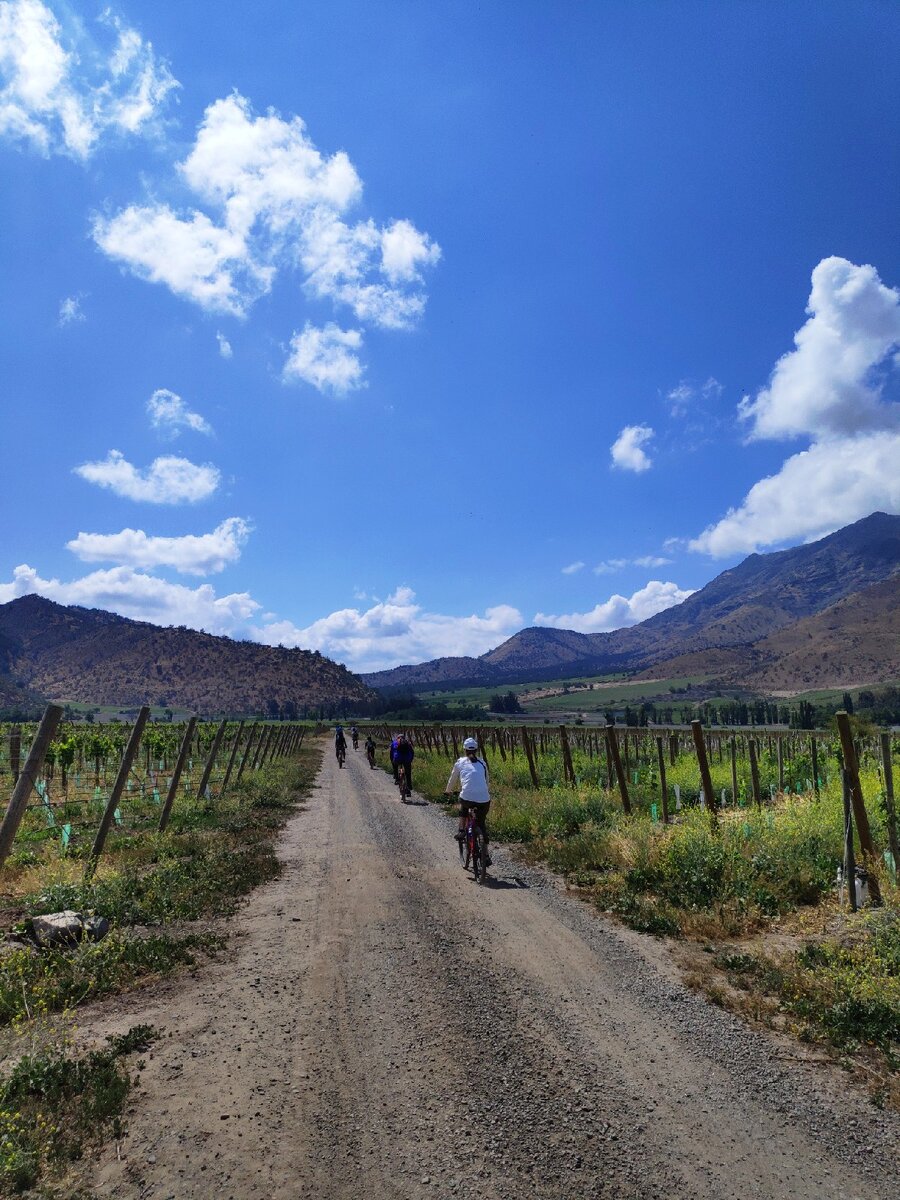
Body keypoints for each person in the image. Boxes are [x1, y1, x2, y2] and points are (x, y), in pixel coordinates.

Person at [445, 737, 491, 864]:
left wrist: (448, 791)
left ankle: (461, 831)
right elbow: (487, 781)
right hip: (484, 799)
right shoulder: (482, 763)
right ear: (476, 749)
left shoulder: (460, 762)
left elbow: (452, 778)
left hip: (467, 797)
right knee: (481, 824)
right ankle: (486, 855)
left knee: (464, 806)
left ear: (464, 749)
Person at [395, 733, 415, 799]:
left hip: (398, 759)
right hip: (407, 760)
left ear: (398, 738)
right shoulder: (408, 743)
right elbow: (412, 752)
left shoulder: (396, 743)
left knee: (396, 768)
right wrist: (410, 760)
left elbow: (392, 752)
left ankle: (397, 779)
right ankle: (409, 787)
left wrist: (393, 760)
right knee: (408, 774)